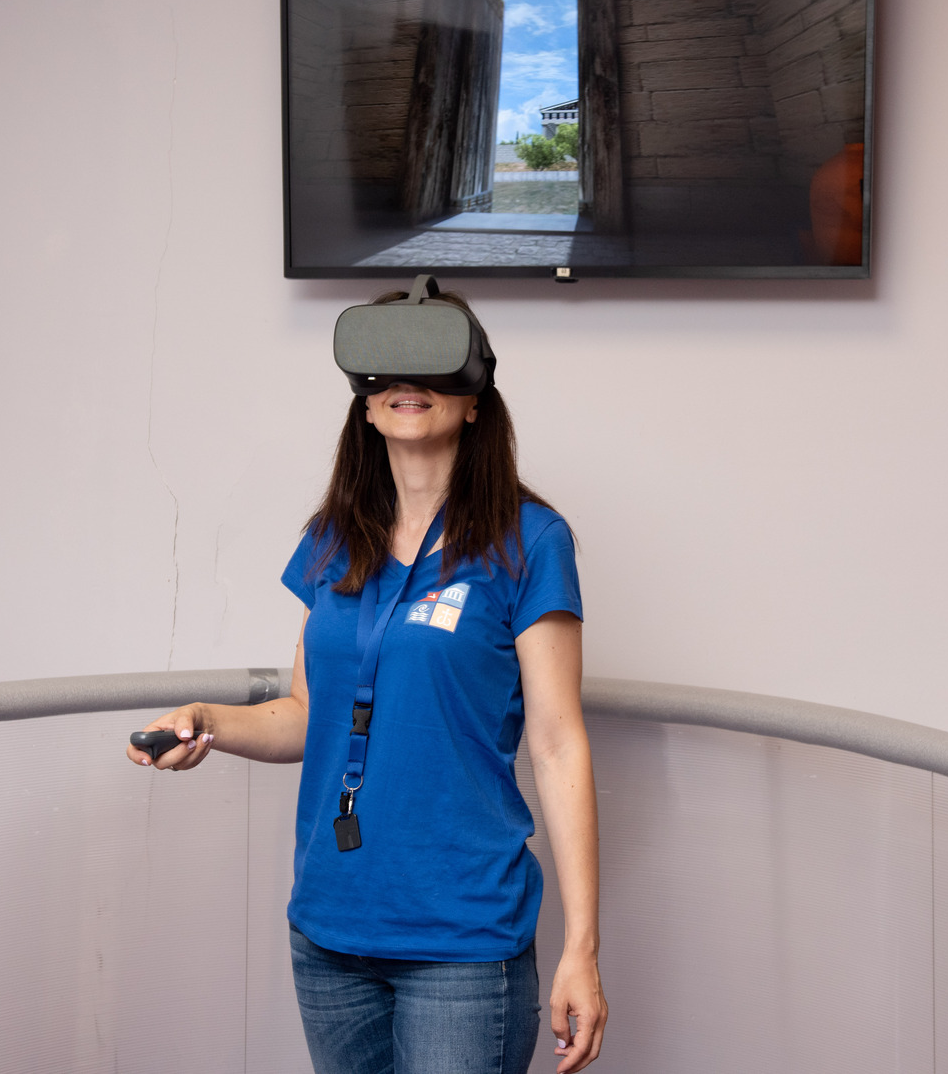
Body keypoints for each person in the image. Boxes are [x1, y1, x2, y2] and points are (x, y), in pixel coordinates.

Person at [128, 284, 607, 1074]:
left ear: (477, 401)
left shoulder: (530, 540)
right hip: (330, 930)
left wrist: (581, 947)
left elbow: (558, 746)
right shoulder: (332, 539)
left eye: (431, 361)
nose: (404, 382)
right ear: (364, 403)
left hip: (461, 939)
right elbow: (305, 713)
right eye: (383, 367)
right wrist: (207, 720)